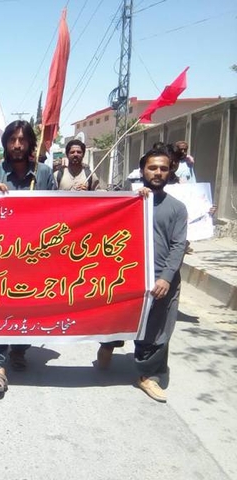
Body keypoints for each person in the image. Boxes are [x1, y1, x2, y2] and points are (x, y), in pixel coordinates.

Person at [97, 146, 187, 403]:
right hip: (127, 277)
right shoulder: (129, 201)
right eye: (152, 167)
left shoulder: (178, 208)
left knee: (158, 329)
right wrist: (134, 201)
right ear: (142, 170)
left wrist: (166, 277)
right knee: (118, 317)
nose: (158, 172)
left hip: (161, 279)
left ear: (170, 173)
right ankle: (108, 345)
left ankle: (150, 375)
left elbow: (179, 246)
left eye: (163, 168)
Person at [0, 120, 57, 394]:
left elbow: (61, 212)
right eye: (13, 140)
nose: (18, 145)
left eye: (23, 140)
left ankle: (20, 349)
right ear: (6, 143)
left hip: (33, 259)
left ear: (31, 143)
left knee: (27, 308)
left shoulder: (44, 174)